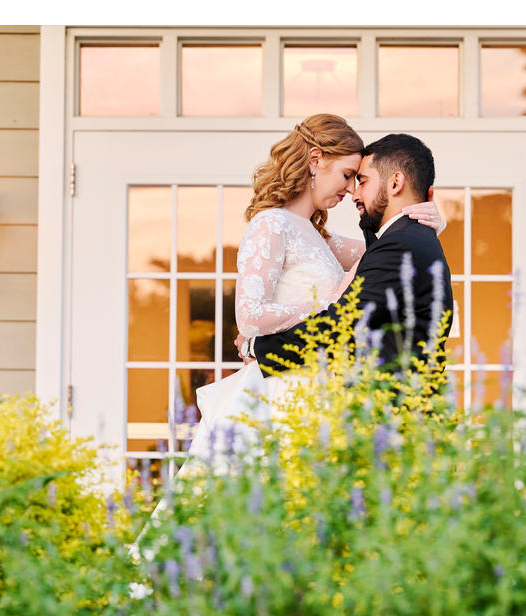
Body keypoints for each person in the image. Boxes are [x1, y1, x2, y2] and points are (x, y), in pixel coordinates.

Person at [168, 116, 446, 480]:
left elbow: (384, 253)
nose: (350, 190)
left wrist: (426, 224)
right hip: (277, 389)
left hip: (317, 391)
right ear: (316, 160)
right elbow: (250, 317)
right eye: (348, 175)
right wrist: (329, 304)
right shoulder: (271, 224)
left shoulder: (323, 239)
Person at [250, 133, 454, 376]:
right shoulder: (409, 240)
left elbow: (341, 326)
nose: (354, 194)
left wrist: (256, 347)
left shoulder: (401, 245)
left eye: (363, 181)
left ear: (395, 182)